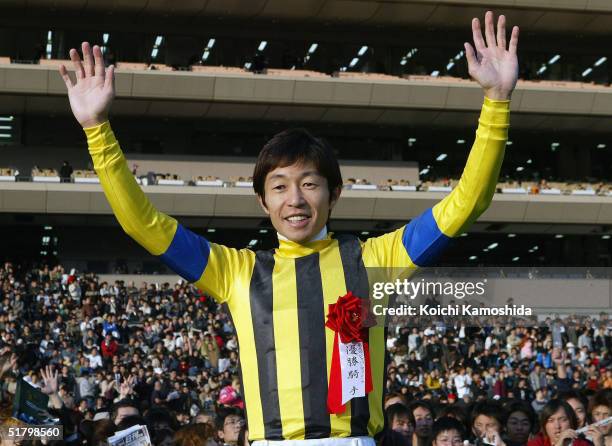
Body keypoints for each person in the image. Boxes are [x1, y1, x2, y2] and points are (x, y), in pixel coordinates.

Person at [58, 10, 519, 445]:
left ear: (334, 193)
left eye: (309, 184)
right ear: (263, 200)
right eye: (279, 186)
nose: (295, 200)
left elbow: (466, 205)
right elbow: (145, 225)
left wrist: (496, 101)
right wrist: (96, 129)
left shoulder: (375, 259)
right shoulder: (236, 271)